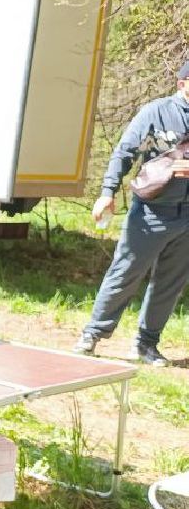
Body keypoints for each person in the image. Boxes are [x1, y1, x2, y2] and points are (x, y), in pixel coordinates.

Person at [76, 60, 189, 367]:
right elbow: (125, 151)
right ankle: (93, 334)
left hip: (187, 218)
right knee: (124, 273)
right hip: (151, 212)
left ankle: (146, 345)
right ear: (182, 84)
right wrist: (107, 192)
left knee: (170, 285)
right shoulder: (156, 112)